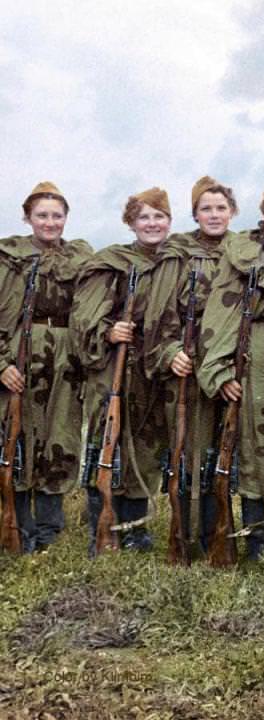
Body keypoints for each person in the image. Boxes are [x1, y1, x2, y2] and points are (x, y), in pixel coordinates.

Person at [196, 179, 264, 559]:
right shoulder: (242, 252)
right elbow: (220, 312)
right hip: (255, 348)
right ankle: (256, 536)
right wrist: (222, 370)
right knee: (257, 443)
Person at [72, 187, 179, 553]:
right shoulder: (112, 263)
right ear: (131, 222)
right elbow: (84, 315)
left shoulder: (176, 261)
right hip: (112, 368)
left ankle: (136, 531)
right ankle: (101, 530)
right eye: (144, 217)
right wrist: (108, 330)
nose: (152, 223)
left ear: (169, 221)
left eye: (159, 216)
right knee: (106, 444)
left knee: (146, 449)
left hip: (153, 369)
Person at [143, 176, 239, 555]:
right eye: (205, 208)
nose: (214, 215)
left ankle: (222, 535)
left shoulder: (246, 250)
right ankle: (187, 537)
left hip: (233, 365)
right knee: (190, 452)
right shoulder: (177, 254)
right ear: (194, 214)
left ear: (232, 212)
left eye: (220, 208)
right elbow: (158, 313)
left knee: (226, 451)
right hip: (188, 366)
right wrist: (170, 353)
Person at [0, 182, 93, 552]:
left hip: (65, 355)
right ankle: (18, 527)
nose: (50, 222)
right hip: (20, 353)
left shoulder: (80, 258)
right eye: (42, 215)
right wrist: (1, 363)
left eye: (57, 215)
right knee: (18, 437)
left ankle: (49, 532)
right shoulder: (8, 258)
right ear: (27, 217)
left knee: (61, 436)